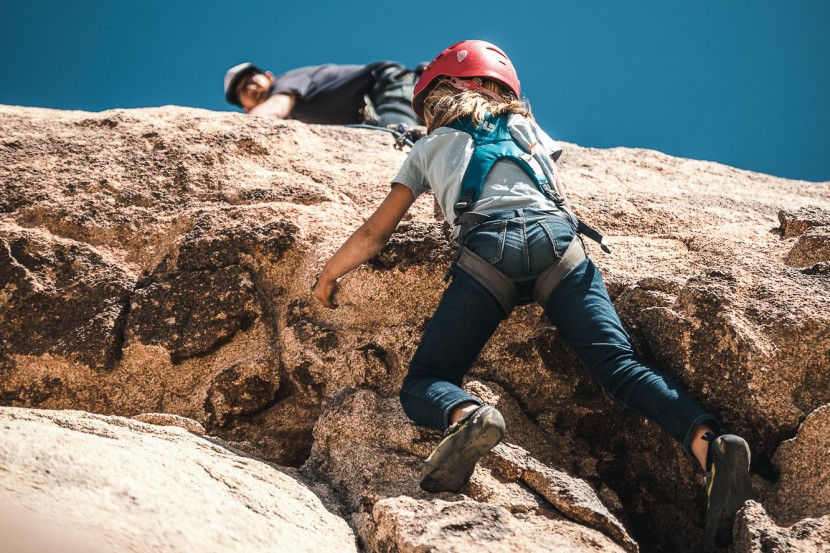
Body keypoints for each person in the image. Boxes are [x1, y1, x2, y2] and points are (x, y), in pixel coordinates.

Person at [312, 40, 753, 548]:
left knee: (427, 380)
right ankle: (709, 446)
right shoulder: (532, 132)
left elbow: (375, 233)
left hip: (488, 253)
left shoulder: (426, 147)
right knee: (621, 367)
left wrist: (328, 275)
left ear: (448, 87)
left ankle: (467, 416)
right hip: (559, 247)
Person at [224, 61, 421, 128]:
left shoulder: (286, 83)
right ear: (245, 107)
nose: (250, 88)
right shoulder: (293, 117)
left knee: (395, 141)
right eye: (243, 90)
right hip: (377, 108)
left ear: (269, 77)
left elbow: (273, 109)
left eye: (251, 79)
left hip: (389, 86)